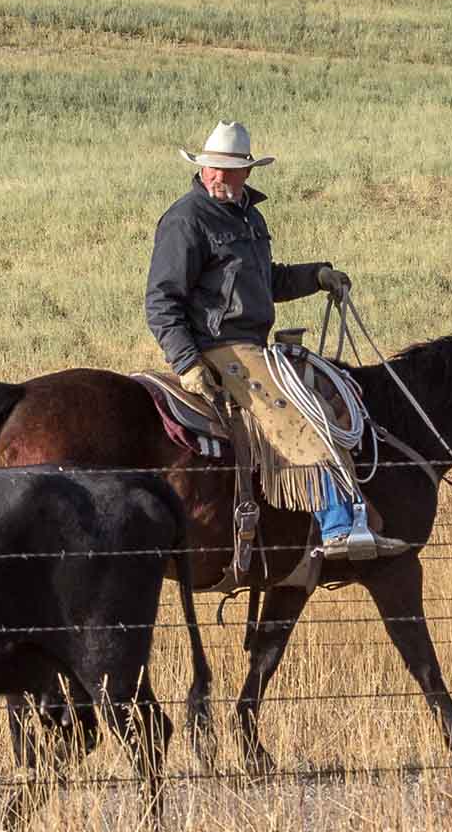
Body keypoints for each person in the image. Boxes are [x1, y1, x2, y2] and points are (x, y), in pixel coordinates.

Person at [144, 120, 407, 561]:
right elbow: (161, 299)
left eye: (228, 170)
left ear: (248, 173)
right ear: (202, 168)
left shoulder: (249, 215)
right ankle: (337, 526)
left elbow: (265, 279)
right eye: (212, 169)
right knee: (299, 416)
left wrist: (315, 276)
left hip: (253, 344)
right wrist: (187, 362)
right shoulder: (186, 220)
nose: (218, 177)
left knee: (328, 399)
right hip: (220, 346)